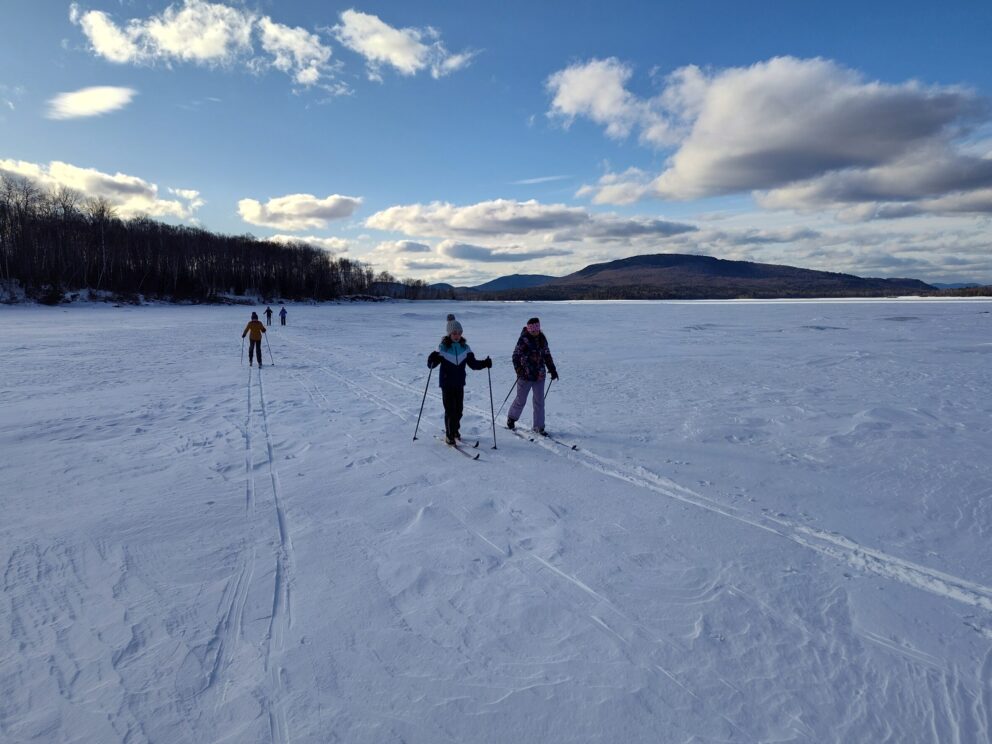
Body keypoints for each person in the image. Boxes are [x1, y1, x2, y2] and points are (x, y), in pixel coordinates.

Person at [427, 314, 491, 445]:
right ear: (449, 334)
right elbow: (432, 365)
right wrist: (431, 359)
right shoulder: (443, 348)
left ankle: (455, 430)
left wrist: (485, 363)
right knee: (450, 411)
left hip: (459, 384)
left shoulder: (465, 348)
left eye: (459, 333)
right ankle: (450, 435)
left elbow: (473, 364)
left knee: (459, 410)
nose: (457, 335)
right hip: (446, 384)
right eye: (454, 333)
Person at [507, 317, 558, 435]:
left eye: (537, 329)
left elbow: (547, 355)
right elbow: (515, 356)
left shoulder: (542, 339)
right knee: (521, 400)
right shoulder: (523, 340)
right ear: (529, 330)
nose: (535, 332)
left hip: (540, 375)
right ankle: (512, 418)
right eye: (533, 330)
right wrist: (519, 370)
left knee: (539, 401)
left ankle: (539, 427)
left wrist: (552, 369)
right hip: (525, 376)